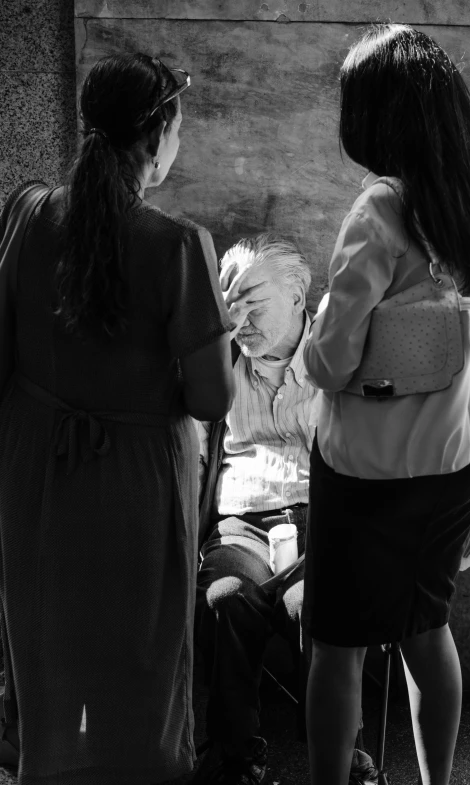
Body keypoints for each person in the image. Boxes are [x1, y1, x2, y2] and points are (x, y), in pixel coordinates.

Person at [0, 53, 235, 784]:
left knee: (48, 641)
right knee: (141, 654)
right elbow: (211, 398)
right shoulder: (178, 246)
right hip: (134, 479)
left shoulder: (29, 211)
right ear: (157, 135)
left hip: (36, 466)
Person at [302, 23, 470, 785]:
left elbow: (331, 361)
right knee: (429, 631)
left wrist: (306, 345)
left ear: (379, 115)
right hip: (454, 464)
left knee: (337, 644)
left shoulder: (379, 212)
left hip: (366, 473)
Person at [193, 234, 378, 785]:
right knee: (227, 597)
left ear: (298, 296)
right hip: (239, 526)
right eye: (232, 302)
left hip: (317, 523)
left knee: (319, 605)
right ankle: (237, 754)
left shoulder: (335, 353)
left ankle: (340, 746)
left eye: (254, 300)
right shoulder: (218, 358)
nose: (240, 317)